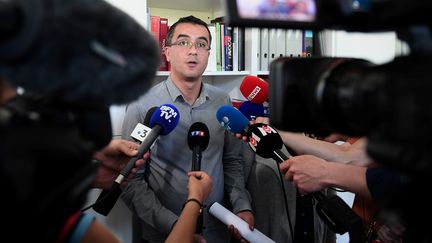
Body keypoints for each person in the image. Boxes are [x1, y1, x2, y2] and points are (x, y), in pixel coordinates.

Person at [120, 15, 254, 243]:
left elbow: (232, 160)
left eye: (201, 44)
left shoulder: (223, 102)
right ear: (167, 52)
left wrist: (242, 205)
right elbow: (131, 180)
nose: (193, 51)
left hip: (218, 229)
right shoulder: (142, 106)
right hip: (164, 232)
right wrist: (176, 226)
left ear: (209, 54)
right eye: (183, 42)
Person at [240, 142, 336, 243]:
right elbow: (235, 185)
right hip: (266, 235)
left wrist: (330, 238)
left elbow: (329, 194)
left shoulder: (319, 139)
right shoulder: (251, 136)